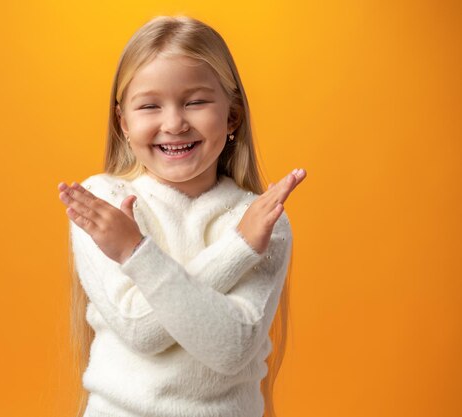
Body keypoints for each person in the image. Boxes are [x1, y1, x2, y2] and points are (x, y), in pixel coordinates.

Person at [57, 15, 307, 417]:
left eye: (195, 102)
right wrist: (238, 249)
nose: (173, 123)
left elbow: (232, 349)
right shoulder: (103, 203)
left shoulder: (263, 218)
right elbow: (140, 328)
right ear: (123, 122)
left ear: (232, 117)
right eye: (150, 105)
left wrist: (136, 255)